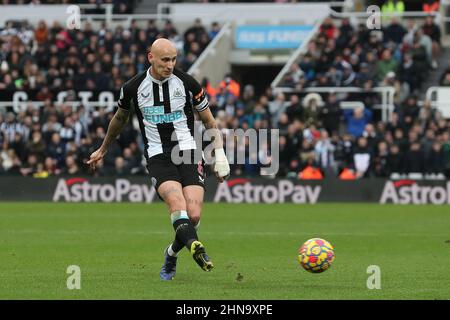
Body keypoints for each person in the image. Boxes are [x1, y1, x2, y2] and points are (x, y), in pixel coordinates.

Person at [87, 38, 230, 281]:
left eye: (174, 59)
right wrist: (103, 149)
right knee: (177, 204)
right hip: (157, 156)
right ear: (150, 57)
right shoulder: (133, 87)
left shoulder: (187, 83)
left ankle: (172, 252)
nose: (170, 65)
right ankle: (197, 247)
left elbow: (209, 121)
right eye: (165, 60)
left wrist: (220, 154)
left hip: (187, 151)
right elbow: (119, 120)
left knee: (193, 215)